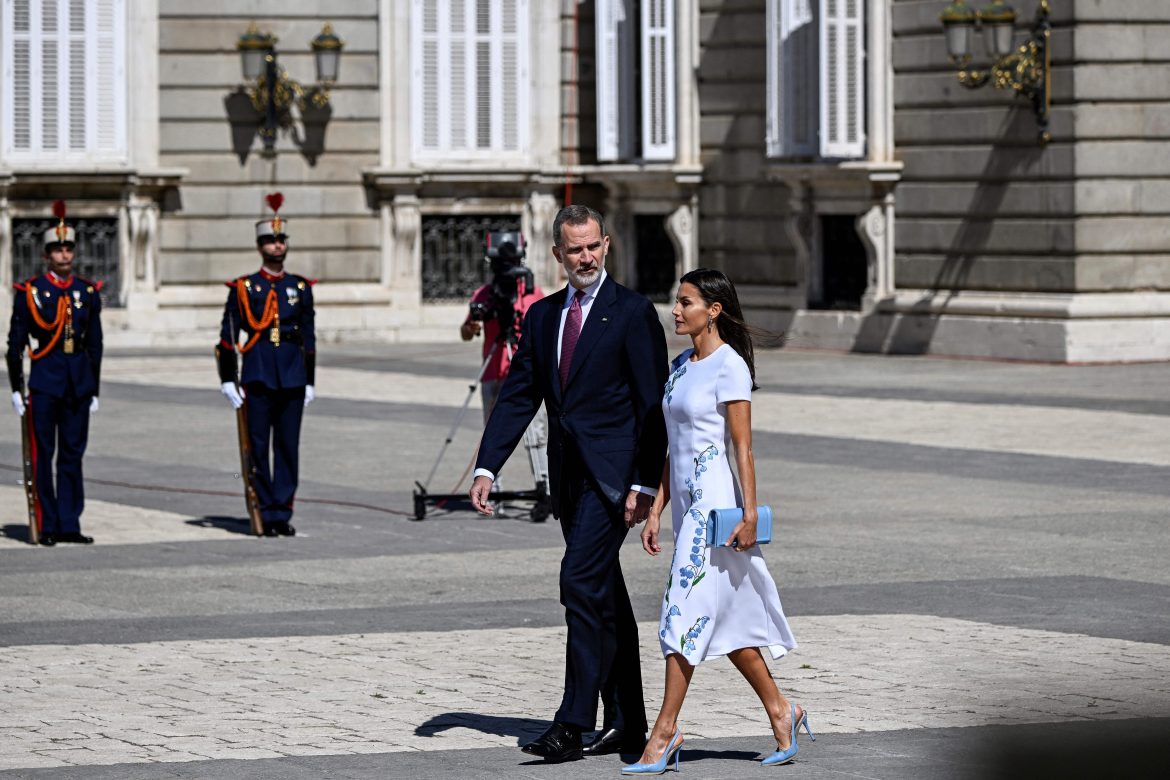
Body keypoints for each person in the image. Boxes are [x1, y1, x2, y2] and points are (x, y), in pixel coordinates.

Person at [470, 204, 668, 762]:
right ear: (557, 254)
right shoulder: (542, 316)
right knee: (604, 596)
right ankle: (627, 721)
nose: (585, 257)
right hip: (569, 479)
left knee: (578, 582)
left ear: (607, 245)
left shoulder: (632, 312)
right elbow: (519, 395)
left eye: (592, 246)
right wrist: (488, 466)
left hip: (615, 481)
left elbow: (652, 407)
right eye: (574, 249)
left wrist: (645, 484)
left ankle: (572, 722)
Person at [623, 268, 811, 774]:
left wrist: (749, 513)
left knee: (680, 612)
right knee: (723, 618)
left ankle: (664, 733)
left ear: (714, 310)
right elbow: (674, 446)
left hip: (714, 508)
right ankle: (782, 710)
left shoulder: (730, 366)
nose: (675, 310)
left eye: (685, 302)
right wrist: (656, 509)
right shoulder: (681, 366)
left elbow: (742, 447)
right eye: (676, 300)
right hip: (684, 506)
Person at [216, 193, 316, 537]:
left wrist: (310, 379)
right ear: (260, 247)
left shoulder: (299, 286)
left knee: (287, 447)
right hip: (258, 372)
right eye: (271, 241)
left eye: (281, 240)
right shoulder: (244, 287)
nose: (277, 246)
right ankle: (263, 508)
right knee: (257, 447)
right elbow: (228, 334)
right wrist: (228, 378)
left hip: (291, 373)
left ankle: (281, 512)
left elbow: (309, 337)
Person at [6, 201, 103, 546]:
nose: (64, 255)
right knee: (42, 454)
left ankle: (69, 523)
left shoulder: (86, 292)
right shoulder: (31, 292)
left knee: (72, 455)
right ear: (46, 255)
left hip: (78, 383)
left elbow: (95, 343)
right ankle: (46, 523)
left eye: (68, 249)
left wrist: (94, 389)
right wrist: (16, 387)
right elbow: (16, 342)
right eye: (57, 250)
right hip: (46, 381)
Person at [460, 235, 548, 514]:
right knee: (493, 431)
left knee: (536, 431)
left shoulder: (533, 294)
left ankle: (544, 489)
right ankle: (491, 493)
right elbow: (466, 333)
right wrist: (472, 325)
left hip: (526, 374)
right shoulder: (484, 295)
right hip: (493, 372)